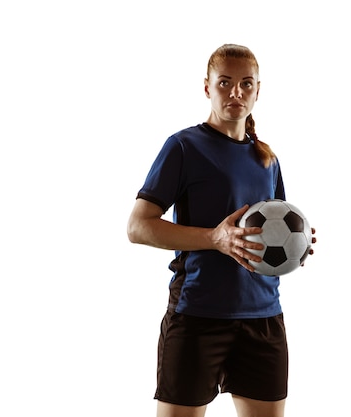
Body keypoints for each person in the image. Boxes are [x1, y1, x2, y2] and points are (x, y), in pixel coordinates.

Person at [127, 43, 316, 417]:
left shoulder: (268, 159)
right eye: (225, 82)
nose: (236, 93)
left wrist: (296, 246)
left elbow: (270, 233)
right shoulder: (184, 147)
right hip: (198, 315)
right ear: (207, 87)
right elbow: (138, 226)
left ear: (258, 91)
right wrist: (215, 239)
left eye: (247, 84)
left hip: (263, 319)